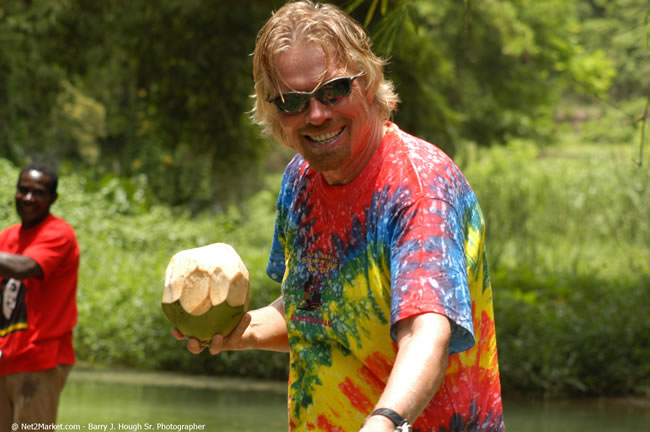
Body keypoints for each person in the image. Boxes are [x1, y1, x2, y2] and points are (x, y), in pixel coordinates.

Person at [173, 1, 504, 430]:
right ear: (273, 112)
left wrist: (384, 421)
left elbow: (428, 334)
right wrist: (242, 329)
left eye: (334, 91)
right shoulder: (300, 179)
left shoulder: (418, 187)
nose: (316, 114)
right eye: (293, 101)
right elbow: (313, 311)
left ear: (367, 83)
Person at [0, 162, 80, 428]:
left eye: (38, 192)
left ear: (52, 198)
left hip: (39, 360)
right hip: (5, 359)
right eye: (23, 190)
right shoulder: (7, 237)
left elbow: (24, 267)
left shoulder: (58, 233)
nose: (28, 198)